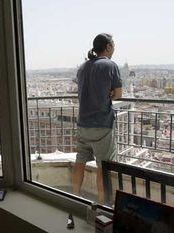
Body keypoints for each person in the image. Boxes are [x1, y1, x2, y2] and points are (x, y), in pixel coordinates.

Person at [72, 33, 122, 204]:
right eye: (113, 44)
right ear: (108, 47)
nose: (114, 47)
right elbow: (118, 94)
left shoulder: (82, 67)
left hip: (82, 123)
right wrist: (108, 95)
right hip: (102, 124)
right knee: (103, 166)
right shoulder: (110, 65)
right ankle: (101, 203)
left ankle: (75, 196)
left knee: (80, 162)